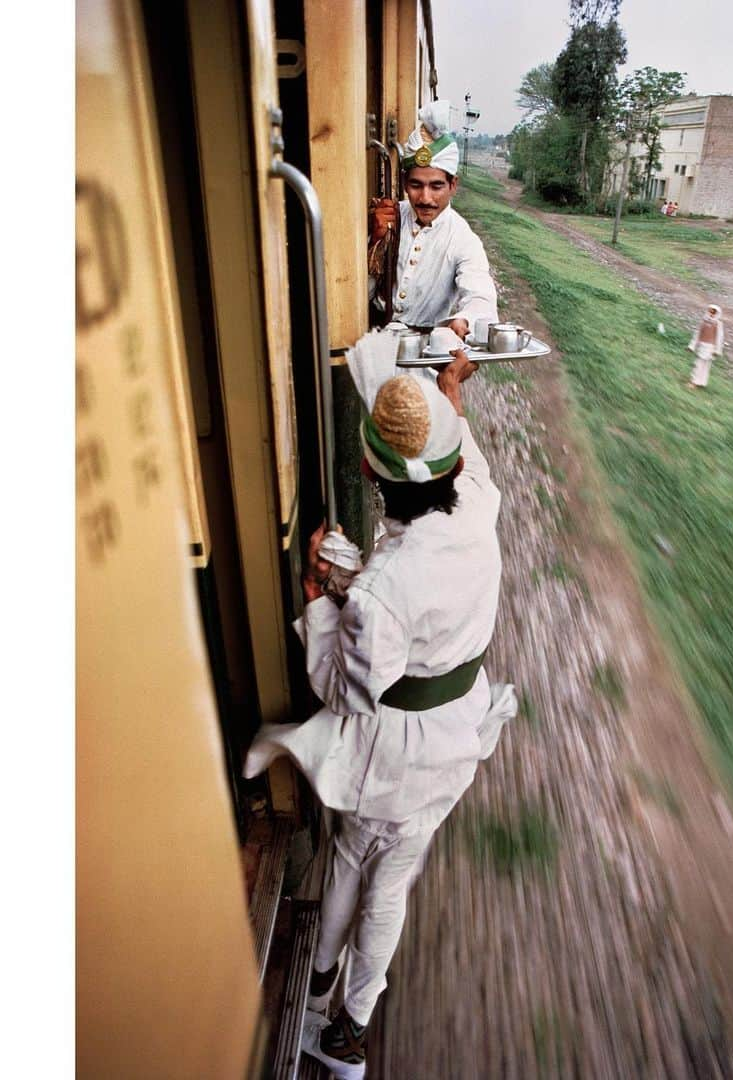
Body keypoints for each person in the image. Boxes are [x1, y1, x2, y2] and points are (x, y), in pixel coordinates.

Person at [243, 331, 516, 1078]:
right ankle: (350, 1028)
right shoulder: (479, 500)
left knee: (350, 860)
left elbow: (345, 688)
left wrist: (319, 603)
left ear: (367, 469)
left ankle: (327, 1002)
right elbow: (459, 453)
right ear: (455, 459)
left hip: (396, 754)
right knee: (394, 877)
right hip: (457, 732)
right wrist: (452, 393)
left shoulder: (379, 590)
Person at [369, 100, 498, 343]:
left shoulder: (462, 238)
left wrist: (465, 319)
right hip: (372, 344)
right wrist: (375, 241)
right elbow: (357, 293)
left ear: (453, 185)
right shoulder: (389, 217)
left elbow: (481, 296)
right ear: (406, 183)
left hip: (424, 355)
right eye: (416, 185)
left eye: (436, 186)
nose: (425, 198)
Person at [688, 303, 725, 388]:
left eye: (714, 313)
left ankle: (701, 382)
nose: (711, 314)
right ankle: (694, 381)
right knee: (698, 363)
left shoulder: (718, 324)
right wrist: (692, 346)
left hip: (710, 348)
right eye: (710, 312)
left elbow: (719, 338)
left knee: (705, 366)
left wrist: (717, 350)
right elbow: (697, 334)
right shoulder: (703, 321)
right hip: (702, 346)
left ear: (717, 314)